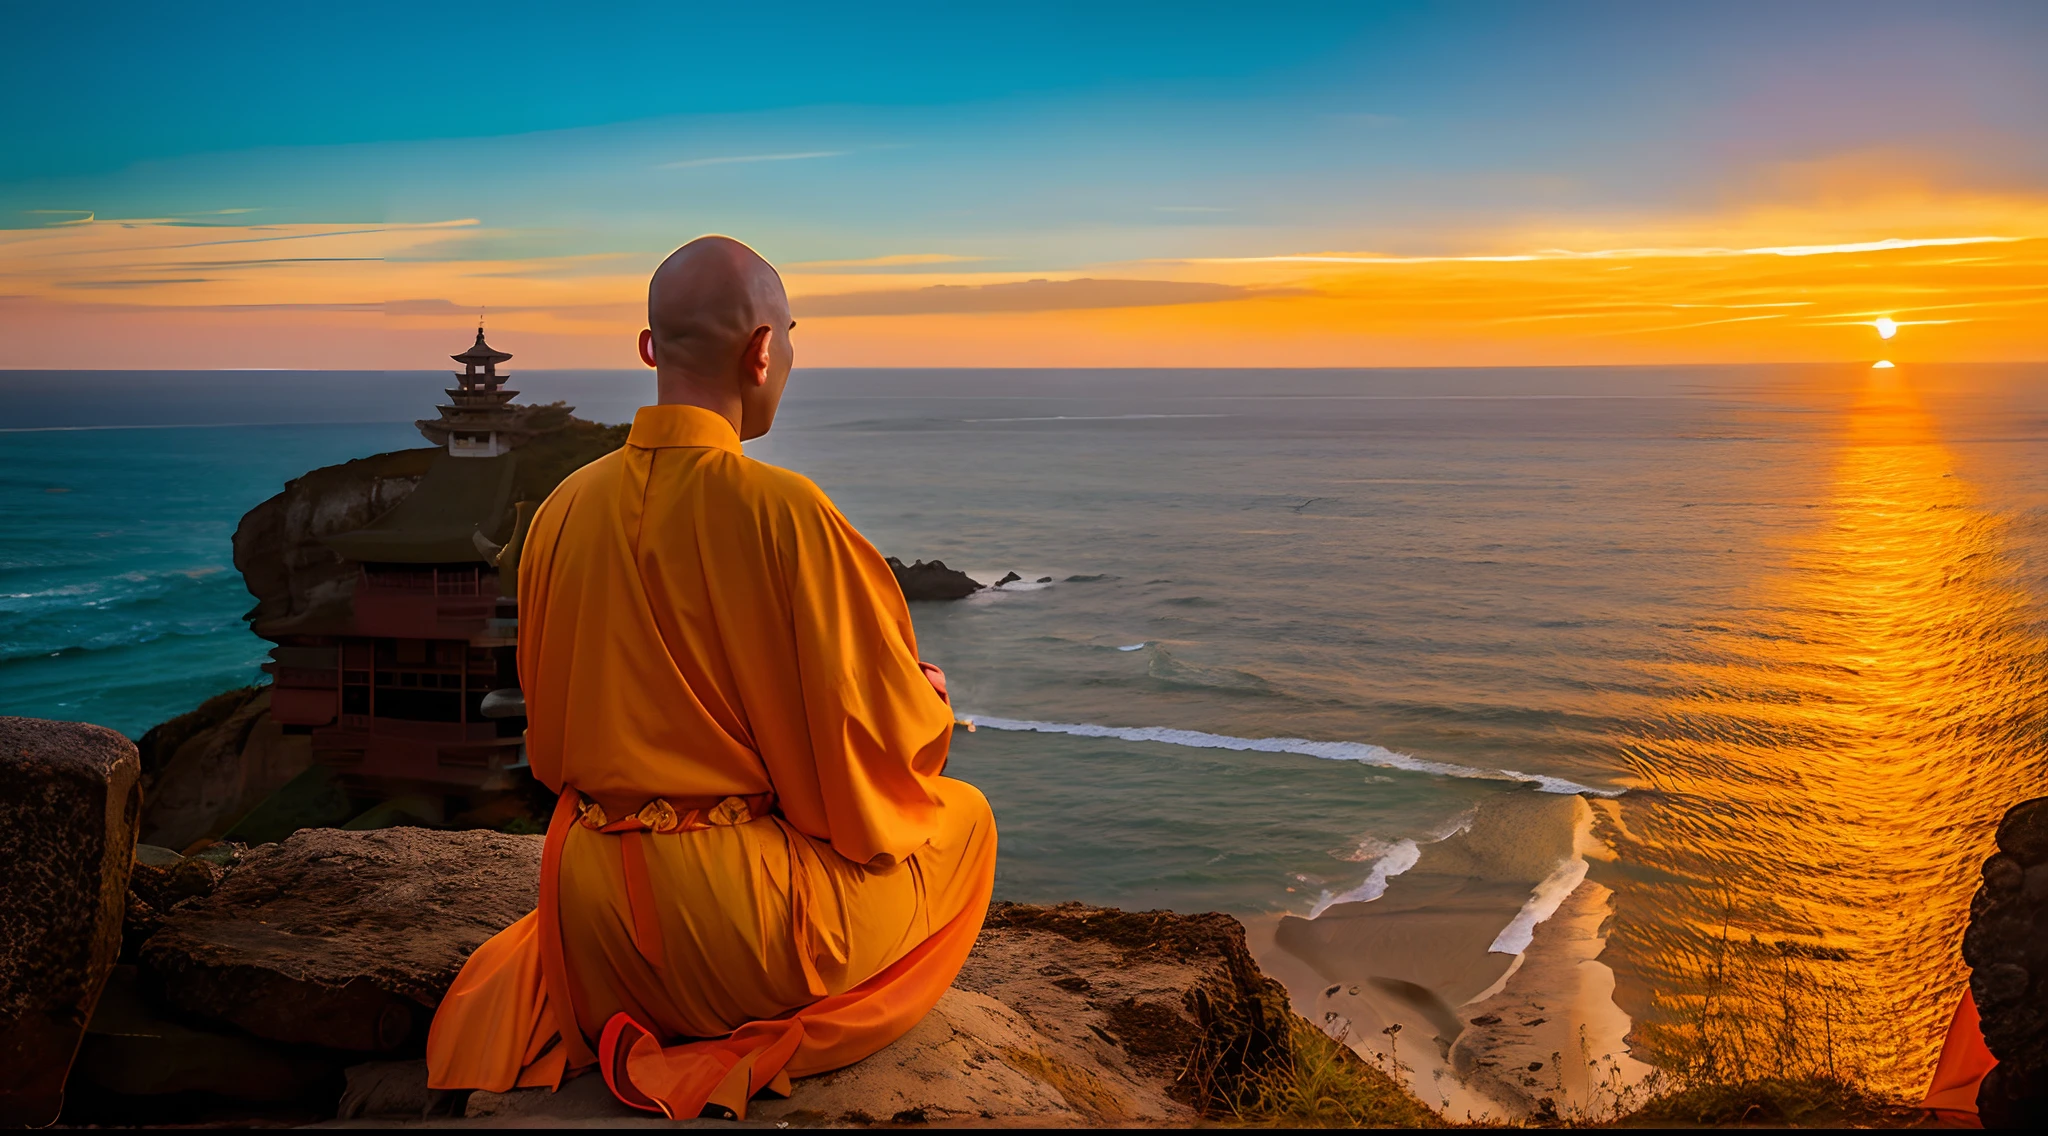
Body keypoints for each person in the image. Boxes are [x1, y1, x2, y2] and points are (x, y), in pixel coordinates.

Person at [424, 235, 997, 1120]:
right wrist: (925, 700)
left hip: (590, 918)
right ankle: (761, 1035)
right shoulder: (788, 513)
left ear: (650, 350)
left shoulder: (561, 511)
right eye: (792, 338)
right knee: (966, 824)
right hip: (733, 933)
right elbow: (866, 757)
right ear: (763, 350)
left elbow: (546, 732)